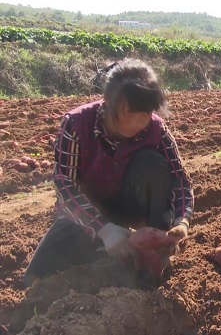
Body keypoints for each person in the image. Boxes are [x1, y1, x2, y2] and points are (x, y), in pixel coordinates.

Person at [23, 58, 194, 286]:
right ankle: (107, 251)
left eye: (144, 113)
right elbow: (65, 186)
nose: (137, 122)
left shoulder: (156, 129)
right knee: (36, 276)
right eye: (128, 112)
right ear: (108, 102)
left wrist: (182, 222)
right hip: (90, 211)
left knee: (151, 163)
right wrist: (102, 228)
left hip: (133, 204)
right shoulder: (76, 125)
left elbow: (179, 180)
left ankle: (155, 252)